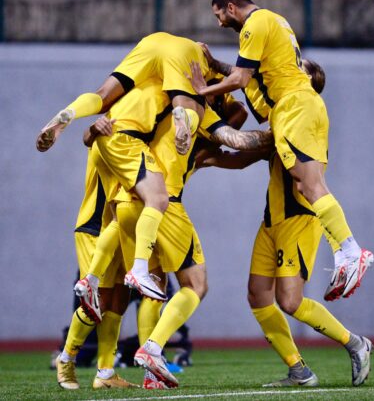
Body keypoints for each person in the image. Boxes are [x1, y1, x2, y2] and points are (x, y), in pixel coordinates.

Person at [187, 0, 374, 301]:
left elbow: (241, 79)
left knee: (309, 184)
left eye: (219, 15)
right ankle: (344, 252)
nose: (219, 23)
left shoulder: (254, 25)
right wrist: (215, 64)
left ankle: (351, 250)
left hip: (292, 108)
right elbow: (251, 73)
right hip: (301, 107)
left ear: (231, 7)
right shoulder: (274, 21)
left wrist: (200, 91)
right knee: (308, 184)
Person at [80, 80, 269, 388]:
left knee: (151, 290)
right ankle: (152, 349)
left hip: (126, 206)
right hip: (165, 206)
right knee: (196, 285)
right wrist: (277, 139)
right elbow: (238, 133)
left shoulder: (156, 113)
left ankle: (137, 372)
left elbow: (91, 137)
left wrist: (91, 129)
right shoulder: (199, 121)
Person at [199, 59, 373, 387]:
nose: (288, 67)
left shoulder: (303, 119)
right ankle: (298, 369)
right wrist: (208, 160)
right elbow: (243, 158)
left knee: (290, 301)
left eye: (299, 66)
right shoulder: (283, 121)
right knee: (257, 295)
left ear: (308, 82)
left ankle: (355, 343)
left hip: (298, 219)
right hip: (272, 219)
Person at [36, 33, 216, 307]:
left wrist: (91, 127)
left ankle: (70, 111)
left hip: (147, 48)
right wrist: (212, 67)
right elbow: (238, 96)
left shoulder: (133, 92)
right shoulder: (197, 72)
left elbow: (88, 138)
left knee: (101, 96)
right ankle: (185, 121)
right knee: (158, 197)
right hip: (128, 146)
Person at [55, 131, 138, 390]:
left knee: (119, 299)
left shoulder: (143, 140)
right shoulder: (110, 133)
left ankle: (105, 372)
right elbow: (88, 135)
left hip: (123, 229)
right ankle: (66, 358)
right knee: (97, 301)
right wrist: (93, 128)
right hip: (95, 228)